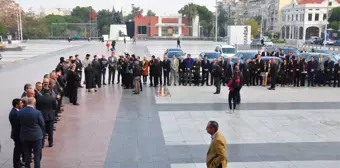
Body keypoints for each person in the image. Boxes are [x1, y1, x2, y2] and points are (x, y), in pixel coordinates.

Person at [18, 97, 45, 168]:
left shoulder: (20, 112)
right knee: (37, 154)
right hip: (36, 136)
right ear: (34, 103)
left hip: (25, 135)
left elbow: (18, 122)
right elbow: (42, 123)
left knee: (27, 154)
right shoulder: (37, 112)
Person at [9, 98, 24, 168]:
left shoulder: (16, 111)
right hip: (17, 134)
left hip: (18, 133)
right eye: (21, 103)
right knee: (17, 150)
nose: (22, 104)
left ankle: (18, 161)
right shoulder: (15, 113)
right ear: (17, 105)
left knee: (19, 149)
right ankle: (16, 164)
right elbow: (18, 125)